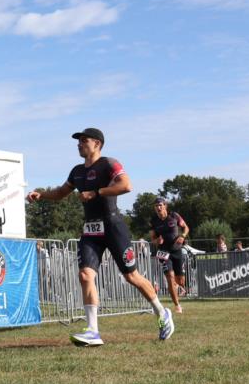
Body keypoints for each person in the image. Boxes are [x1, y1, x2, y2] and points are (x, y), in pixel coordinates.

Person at [27, 127, 174, 346]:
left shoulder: (108, 163)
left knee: (131, 277)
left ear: (97, 144)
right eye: (78, 141)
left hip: (113, 226)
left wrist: (97, 192)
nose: (79, 144)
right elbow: (60, 193)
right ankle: (93, 331)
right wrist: (41, 195)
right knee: (85, 275)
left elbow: (126, 185)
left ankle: (162, 313)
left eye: (83, 141)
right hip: (90, 231)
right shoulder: (76, 171)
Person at [149, 197, 189, 313]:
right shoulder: (153, 221)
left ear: (165, 206)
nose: (158, 208)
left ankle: (177, 286)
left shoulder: (174, 216)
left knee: (180, 280)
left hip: (176, 250)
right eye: (156, 206)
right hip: (163, 252)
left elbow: (186, 228)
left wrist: (182, 236)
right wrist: (157, 241)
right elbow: (153, 239)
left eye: (160, 205)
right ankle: (177, 305)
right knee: (170, 277)